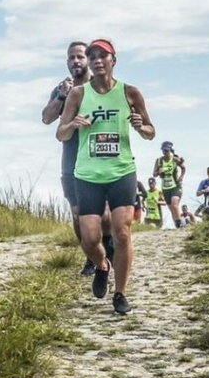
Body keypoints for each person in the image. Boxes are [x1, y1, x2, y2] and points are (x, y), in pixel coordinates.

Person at [56, 39, 155, 315]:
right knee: (89, 238)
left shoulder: (129, 93)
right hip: (87, 174)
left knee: (122, 232)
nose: (97, 60)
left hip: (121, 171)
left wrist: (140, 127)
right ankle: (102, 265)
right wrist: (73, 124)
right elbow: (60, 132)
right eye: (92, 56)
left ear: (114, 60)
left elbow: (151, 131)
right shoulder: (78, 94)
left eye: (103, 56)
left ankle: (121, 294)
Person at [42, 41, 114, 277]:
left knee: (103, 214)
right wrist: (61, 96)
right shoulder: (62, 89)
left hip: (99, 160)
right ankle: (91, 257)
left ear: (89, 60)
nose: (76, 61)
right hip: (71, 161)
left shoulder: (99, 87)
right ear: (67, 62)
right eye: (71, 58)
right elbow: (46, 119)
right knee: (77, 214)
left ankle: (108, 246)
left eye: (80, 57)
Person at [153, 141, 186, 228]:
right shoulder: (159, 160)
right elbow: (154, 174)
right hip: (165, 187)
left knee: (175, 205)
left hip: (175, 186)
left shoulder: (174, 159)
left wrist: (181, 177)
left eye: (167, 151)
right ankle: (177, 225)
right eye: (163, 150)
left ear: (170, 150)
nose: (165, 152)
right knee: (171, 208)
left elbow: (183, 168)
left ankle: (180, 226)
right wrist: (158, 172)